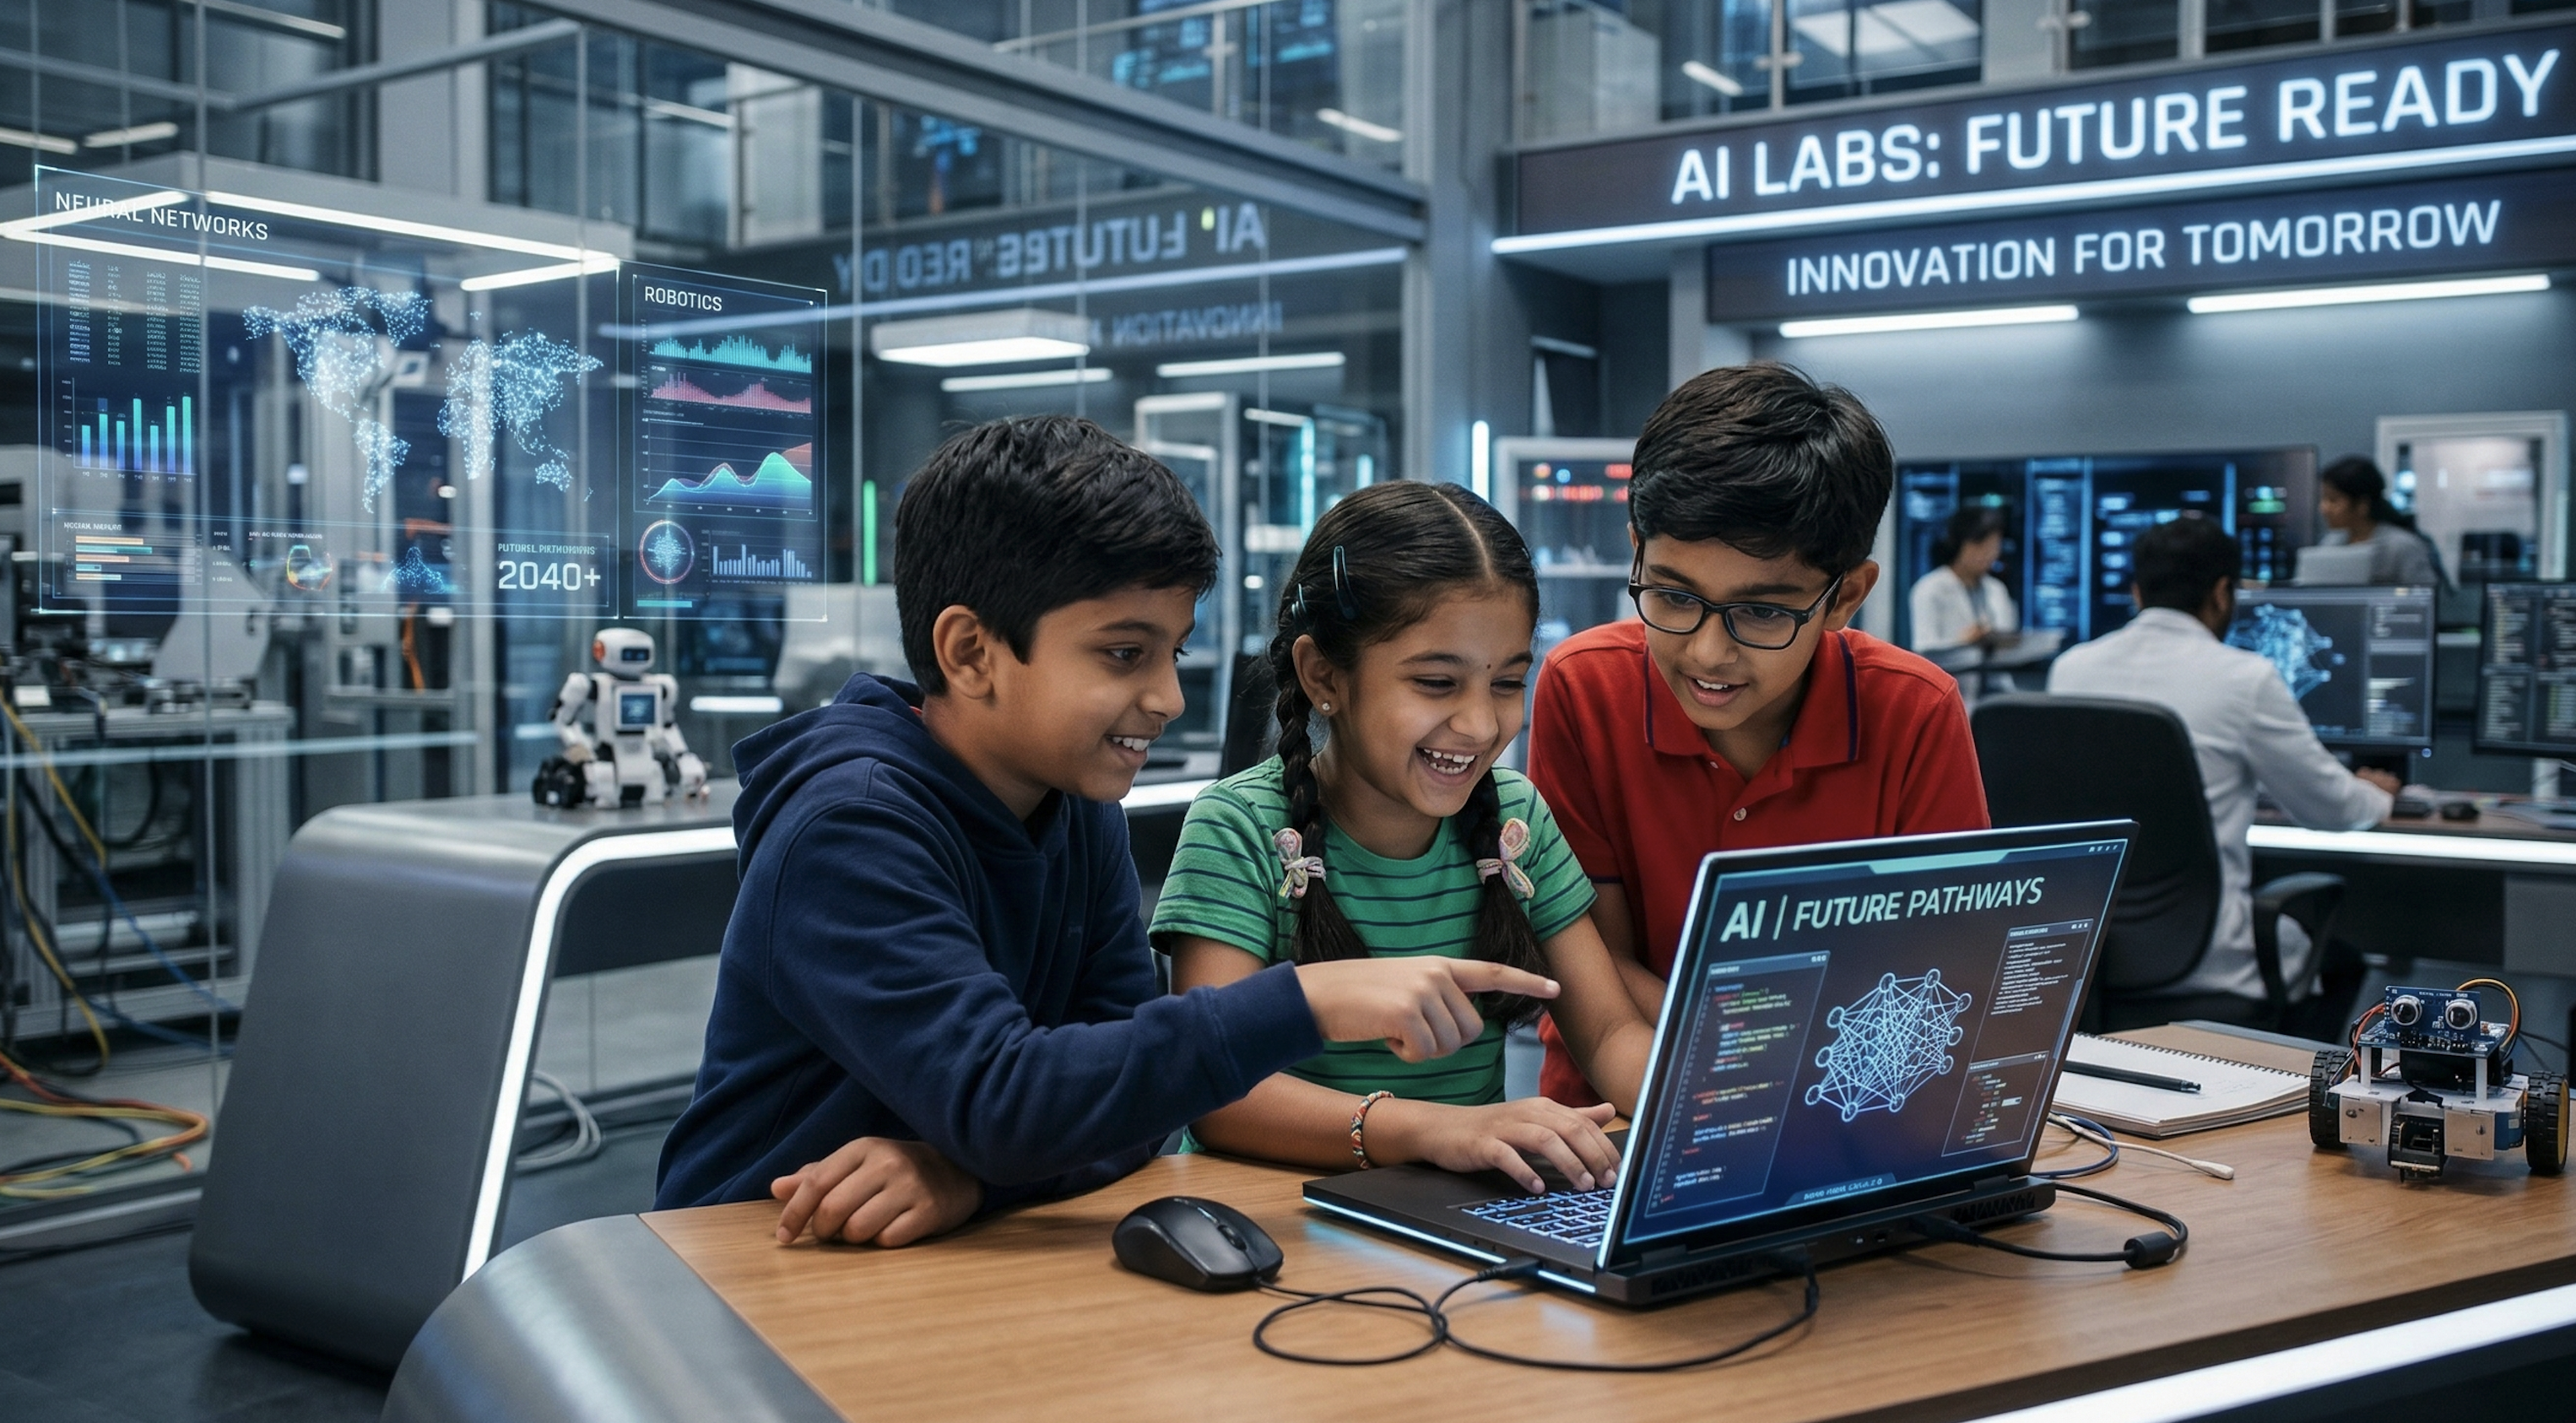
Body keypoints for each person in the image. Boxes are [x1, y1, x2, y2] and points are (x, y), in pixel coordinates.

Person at [653, 416, 1561, 1247]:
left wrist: (970, 1173)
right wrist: (1310, 1001)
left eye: (1174, 653)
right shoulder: (848, 825)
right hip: (750, 1257)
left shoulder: (1076, 806)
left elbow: (1129, 1107)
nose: (1167, 697)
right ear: (971, 652)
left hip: (947, 1258)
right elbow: (1009, 1099)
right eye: (1124, 654)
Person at [1153, 482, 1654, 1193]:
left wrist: (1712, 1108)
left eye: (1507, 683)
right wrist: (1430, 1130)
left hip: (1459, 1207)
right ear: (1323, 675)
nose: (1481, 725)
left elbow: (1608, 1035)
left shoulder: (1515, 822)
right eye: (1437, 683)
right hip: (1272, 1212)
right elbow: (1219, 1092)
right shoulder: (1239, 827)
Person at [1527, 363, 1991, 1107]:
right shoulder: (1586, 688)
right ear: (1637, 550)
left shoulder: (1915, 710)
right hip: (1615, 1115)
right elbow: (1595, 958)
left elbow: (1938, 971)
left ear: (1845, 596)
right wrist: (1763, 1063)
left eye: (1764, 612)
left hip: (1840, 1108)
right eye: (1673, 595)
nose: (1708, 653)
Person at [2048, 515, 2398, 1004]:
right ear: (2221, 593)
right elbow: (2332, 809)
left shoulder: (2069, 670)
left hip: (2088, 954)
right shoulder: (2246, 679)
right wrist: (2378, 796)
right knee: (2345, 966)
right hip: (2205, 957)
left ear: (2136, 592)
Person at [2316, 456, 2444, 587]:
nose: (2323, 508)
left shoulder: (2402, 547)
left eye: (2333, 500)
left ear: (2362, 505)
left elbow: (2425, 595)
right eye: (2323, 499)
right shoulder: (2331, 543)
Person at [1908, 506, 2018, 654]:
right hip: (1948, 668)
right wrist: (1962, 642)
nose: (1988, 554)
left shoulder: (1996, 588)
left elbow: (2009, 640)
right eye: (1980, 545)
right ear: (1959, 544)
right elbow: (1924, 649)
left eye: (1994, 546)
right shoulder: (1930, 589)